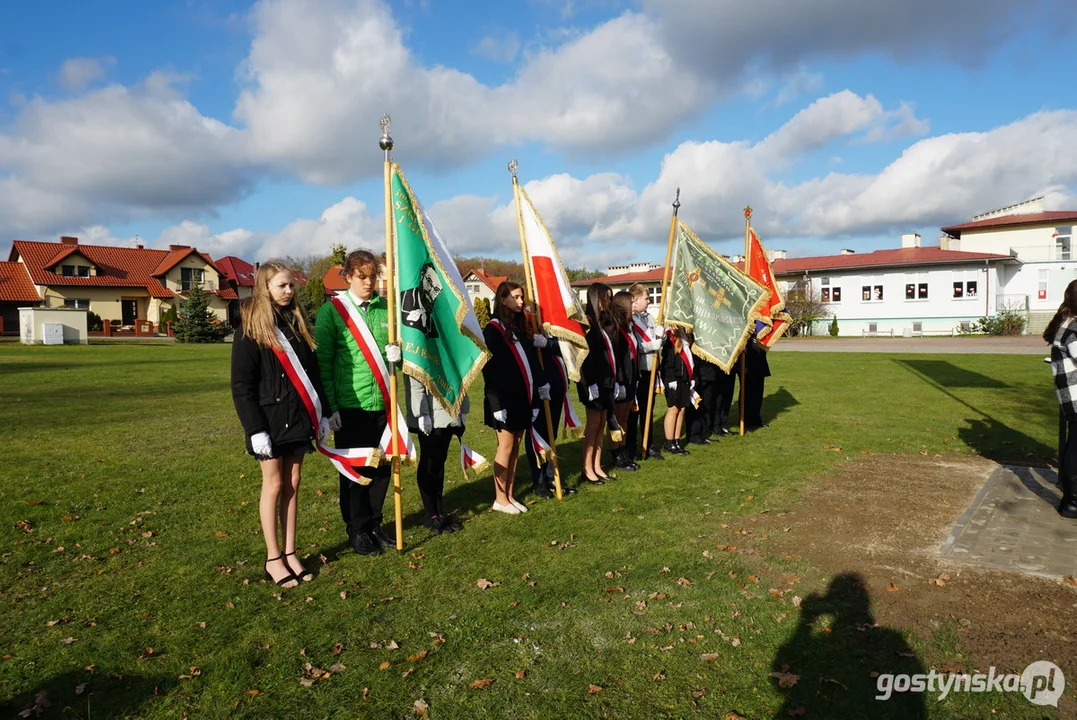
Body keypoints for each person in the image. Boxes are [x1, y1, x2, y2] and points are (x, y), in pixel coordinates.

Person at [231, 260, 330, 587]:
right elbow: (242, 386)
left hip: (299, 416)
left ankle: (290, 553)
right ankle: (273, 558)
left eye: (291, 285)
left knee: (294, 482)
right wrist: (254, 429)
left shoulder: (297, 323)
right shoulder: (249, 328)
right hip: (268, 421)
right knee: (273, 484)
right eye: (281, 286)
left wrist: (325, 413)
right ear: (265, 288)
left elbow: (313, 375)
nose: (289, 291)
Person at [316, 250, 403, 556]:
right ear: (349, 277)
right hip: (350, 406)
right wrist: (331, 408)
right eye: (362, 277)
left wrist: (399, 357)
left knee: (380, 468)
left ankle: (376, 524)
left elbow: (398, 356)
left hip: (383, 403)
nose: (369, 283)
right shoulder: (332, 312)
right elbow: (323, 364)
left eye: (373, 277)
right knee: (355, 472)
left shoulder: (385, 310)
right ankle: (357, 529)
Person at [482, 282, 549, 514]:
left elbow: (528, 360)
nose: (522, 302)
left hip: (522, 396)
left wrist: (539, 386)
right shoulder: (492, 329)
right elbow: (490, 370)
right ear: (503, 299)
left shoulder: (517, 327)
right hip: (502, 399)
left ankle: (508, 495)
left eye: (522, 297)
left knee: (516, 445)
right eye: (517, 297)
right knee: (506, 446)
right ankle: (500, 498)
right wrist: (496, 404)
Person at [404, 374, 467, 533]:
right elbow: (415, 375)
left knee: (439, 461)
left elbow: (458, 371)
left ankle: (439, 510)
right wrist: (421, 412)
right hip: (429, 410)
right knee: (429, 461)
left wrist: (463, 405)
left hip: (449, 406)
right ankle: (430, 514)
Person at [524, 333, 578, 498]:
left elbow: (567, 346)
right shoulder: (526, 324)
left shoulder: (551, 324)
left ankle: (551, 476)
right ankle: (538, 480)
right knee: (538, 433)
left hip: (556, 383)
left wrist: (549, 343)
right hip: (538, 386)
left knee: (551, 432)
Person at [578, 282, 621, 483]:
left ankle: (597, 465)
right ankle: (587, 468)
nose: (609, 302)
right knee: (593, 424)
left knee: (602, 422)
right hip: (592, 382)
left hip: (606, 381)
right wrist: (589, 383)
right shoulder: (587, 323)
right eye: (606, 297)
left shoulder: (602, 323)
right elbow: (585, 356)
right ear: (596, 299)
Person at [1044, 278, 1077, 518]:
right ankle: (1072, 503)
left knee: (1072, 448)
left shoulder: (1065, 324)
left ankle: (1071, 499)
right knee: (1074, 451)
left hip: (1070, 396)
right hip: (1076, 397)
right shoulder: (1073, 329)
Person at [627, 283, 664, 461]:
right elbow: (635, 346)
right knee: (635, 411)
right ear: (634, 299)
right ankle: (632, 448)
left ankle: (649, 445)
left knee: (649, 409)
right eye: (646, 298)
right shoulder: (630, 319)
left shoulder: (649, 318)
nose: (649, 301)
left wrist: (660, 338)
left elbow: (655, 341)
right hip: (639, 370)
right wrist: (652, 345)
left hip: (652, 369)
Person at [610, 290, 640, 471]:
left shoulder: (630, 326)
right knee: (617, 419)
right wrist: (619, 382)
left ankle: (624, 450)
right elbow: (618, 358)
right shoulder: (616, 329)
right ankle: (616, 454)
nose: (635, 306)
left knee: (625, 419)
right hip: (621, 380)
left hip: (632, 378)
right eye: (633, 303)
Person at [660, 326, 692, 455]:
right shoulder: (669, 335)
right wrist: (671, 378)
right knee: (673, 408)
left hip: (684, 377)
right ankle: (669, 442)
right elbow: (667, 359)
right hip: (672, 377)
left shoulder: (685, 334)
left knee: (682, 408)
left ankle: (676, 441)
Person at [400, 262, 442, 339]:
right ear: (422, 276)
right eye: (429, 281)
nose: (430, 289)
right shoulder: (402, 299)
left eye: (436, 289)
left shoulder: (432, 320)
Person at [686, 351, 718, 446]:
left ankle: (703, 434)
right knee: (695, 406)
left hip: (708, 371)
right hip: (696, 372)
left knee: (706, 404)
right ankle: (694, 435)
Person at [741, 333, 771, 429]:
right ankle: (745, 420)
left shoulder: (761, 329)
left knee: (758, 394)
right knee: (747, 393)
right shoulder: (747, 327)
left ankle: (756, 419)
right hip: (748, 364)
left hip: (760, 363)